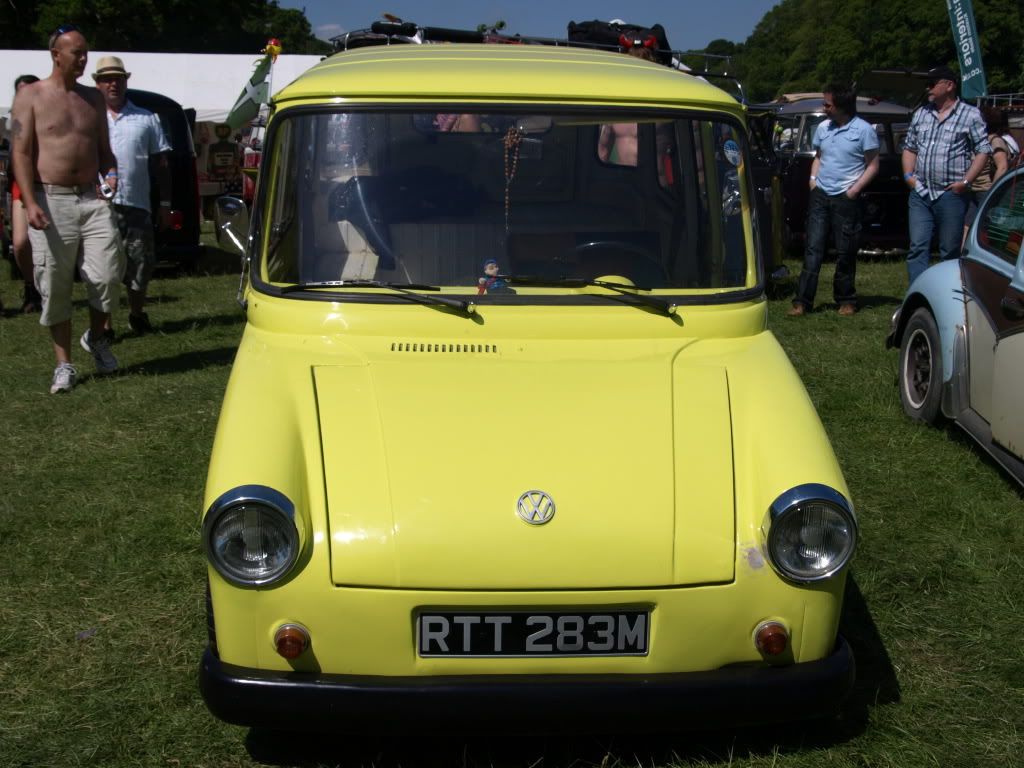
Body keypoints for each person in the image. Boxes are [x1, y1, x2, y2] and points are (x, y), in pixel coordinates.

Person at [10, 25, 122, 393]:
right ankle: (65, 364)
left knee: (107, 276)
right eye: (77, 52)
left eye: (86, 51)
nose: (84, 58)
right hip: (49, 199)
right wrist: (29, 202)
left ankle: (97, 337)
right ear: (56, 55)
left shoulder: (92, 99)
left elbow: (105, 152)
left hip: (92, 199)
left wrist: (112, 175)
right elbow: (21, 153)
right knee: (55, 285)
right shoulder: (30, 95)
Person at [92, 55, 172, 334]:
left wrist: (164, 203)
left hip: (138, 203)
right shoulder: (89, 118)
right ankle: (106, 325)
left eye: (118, 78)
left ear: (126, 81)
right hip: (98, 206)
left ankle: (137, 314)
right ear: (97, 83)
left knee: (141, 263)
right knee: (105, 267)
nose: (113, 84)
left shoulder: (147, 118)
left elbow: (161, 165)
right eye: (106, 79)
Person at [788, 83, 879, 316]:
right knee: (813, 248)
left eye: (828, 104)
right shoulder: (823, 128)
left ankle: (846, 299)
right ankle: (802, 302)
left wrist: (855, 189)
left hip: (846, 198)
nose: (824, 108)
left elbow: (873, 165)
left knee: (846, 250)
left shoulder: (864, 130)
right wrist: (812, 179)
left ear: (842, 106)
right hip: (821, 194)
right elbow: (819, 157)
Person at [901, 65, 991, 285]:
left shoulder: (970, 115)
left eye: (932, 84)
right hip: (921, 191)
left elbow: (983, 151)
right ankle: (917, 296)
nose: (928, 88)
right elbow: (910, 147)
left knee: (949, 250)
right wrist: (908, 177)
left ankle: (945, 296)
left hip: (951, 194)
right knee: (917, 248)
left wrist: (965, 182)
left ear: (949, 85)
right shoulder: (922, 113)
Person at [9, 74, 43, 313]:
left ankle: (47, 290)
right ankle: (31, 286)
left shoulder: (49, 114)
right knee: (20, 242)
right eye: (20, 91)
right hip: (19, 185)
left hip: (46, 183)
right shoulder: (10, 122)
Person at [963, 106, 1011, 238]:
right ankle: (963, 255)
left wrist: (992, 192)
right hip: (974, 190)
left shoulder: (995, 141)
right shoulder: (982, 140)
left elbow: (1002, 167)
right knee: (967, 225)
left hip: (985, 190)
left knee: (979, 227)